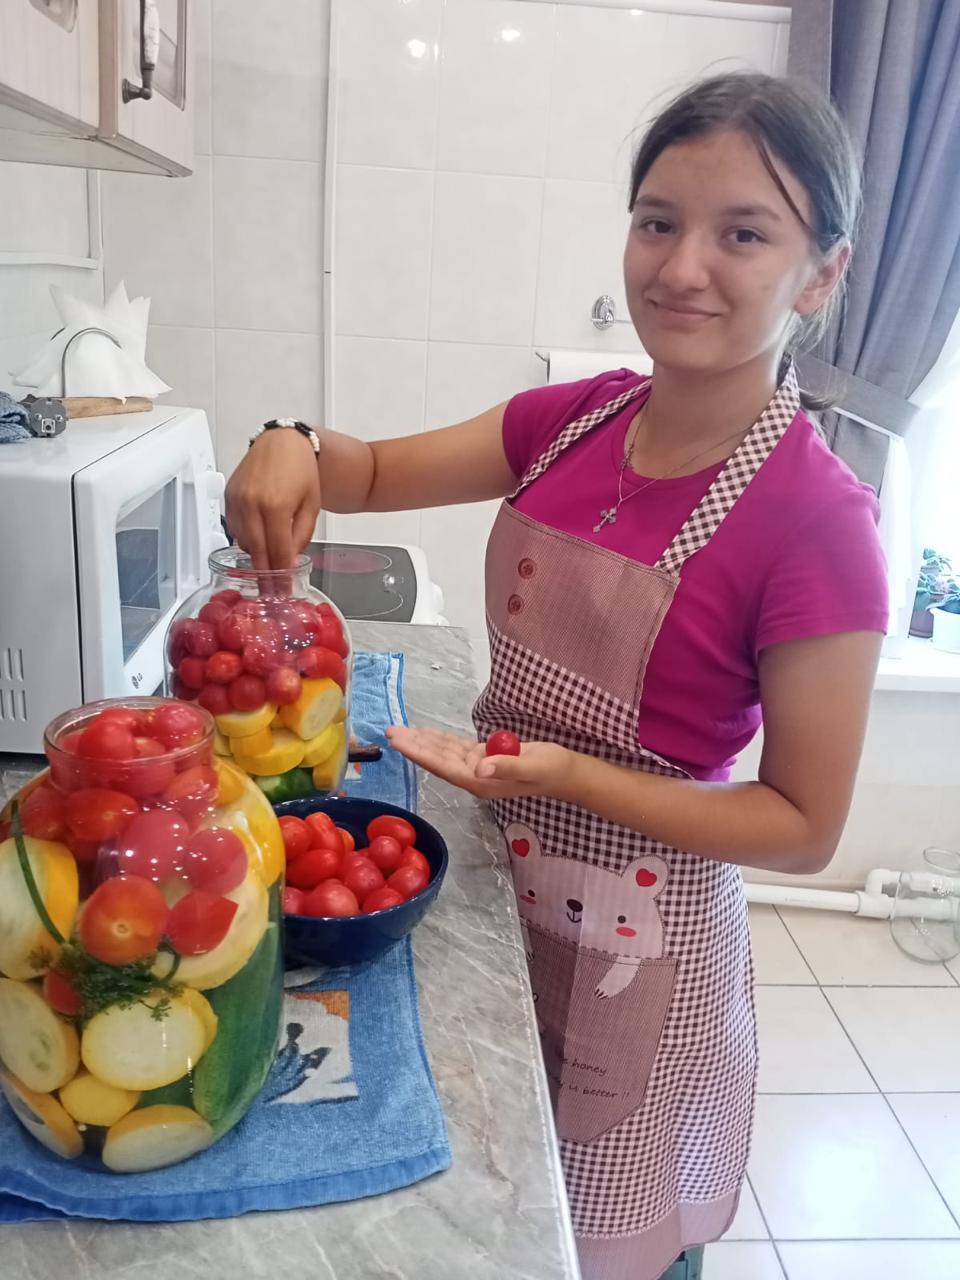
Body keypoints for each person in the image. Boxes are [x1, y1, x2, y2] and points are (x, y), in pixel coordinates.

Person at [226, 73, 888, 1280]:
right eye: (657, 220)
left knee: (609, 1234)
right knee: (497, 1208)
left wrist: (569, 773)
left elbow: (802, 826)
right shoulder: (577, 421)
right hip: (495, 882)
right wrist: (291, 438)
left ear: (822, 273)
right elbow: (365, 471)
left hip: (645, 947)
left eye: (744, 233)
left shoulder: (819, 520)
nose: (682, 266)